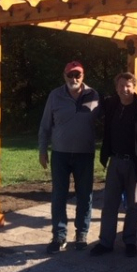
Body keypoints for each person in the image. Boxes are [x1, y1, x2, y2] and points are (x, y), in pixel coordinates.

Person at [91, 72, 137, 258]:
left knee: (133, 206)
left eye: (128, 86)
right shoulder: (111, 106)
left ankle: (130, 241)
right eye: (121, 86)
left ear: (134, 87)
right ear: (116, 88)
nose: (125, 89)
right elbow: (94, 97)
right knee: (109, 205)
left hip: (136, 164)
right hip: (115, 162)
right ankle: (106, 242)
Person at [38, 61, 100, 254]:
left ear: (83, 76)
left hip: (85, 154)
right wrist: (42, 150)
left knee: (85, 196)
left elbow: (108, 122)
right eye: (70, 75)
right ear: (64, 76)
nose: (74, 78)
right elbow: (45, 125)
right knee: (59, 196)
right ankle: (59, 235)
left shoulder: (94, 95)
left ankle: (81, 234)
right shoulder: (55, 95)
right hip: (60, 154)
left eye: (78, 75)